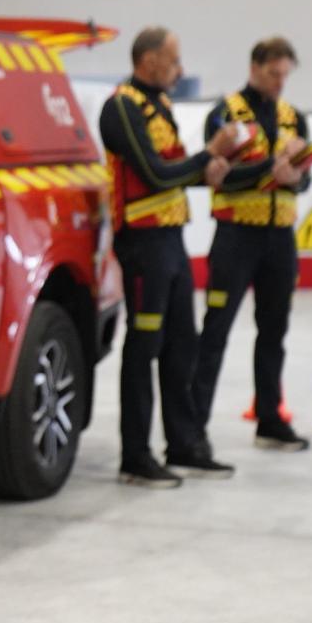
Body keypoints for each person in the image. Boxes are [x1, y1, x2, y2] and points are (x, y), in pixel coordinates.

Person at [98, 27, 240, 488]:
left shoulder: (159, 106)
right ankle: (134, 456)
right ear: (149, 59)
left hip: (171, 241)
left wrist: (208, 172)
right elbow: (156, 174)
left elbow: (173, 173)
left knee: (183, 346)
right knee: (144, 349)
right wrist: (206, 156)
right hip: (142, 246)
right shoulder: (122, 107)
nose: (180, 69)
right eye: (174, 60)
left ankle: (184, 444)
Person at [191, 37, 312, 453]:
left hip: (280, 237)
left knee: (274, 332)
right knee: (216, 331)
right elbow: (216, 173)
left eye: (285, 75)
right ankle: (193, 426)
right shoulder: (225, 114)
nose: (280, 83)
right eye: (273, 73)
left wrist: (297, 178)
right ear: (255, 67)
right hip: (236, 235)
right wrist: (270, 170)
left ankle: (269, 419)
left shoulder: (294, 118)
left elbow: (305, 175)